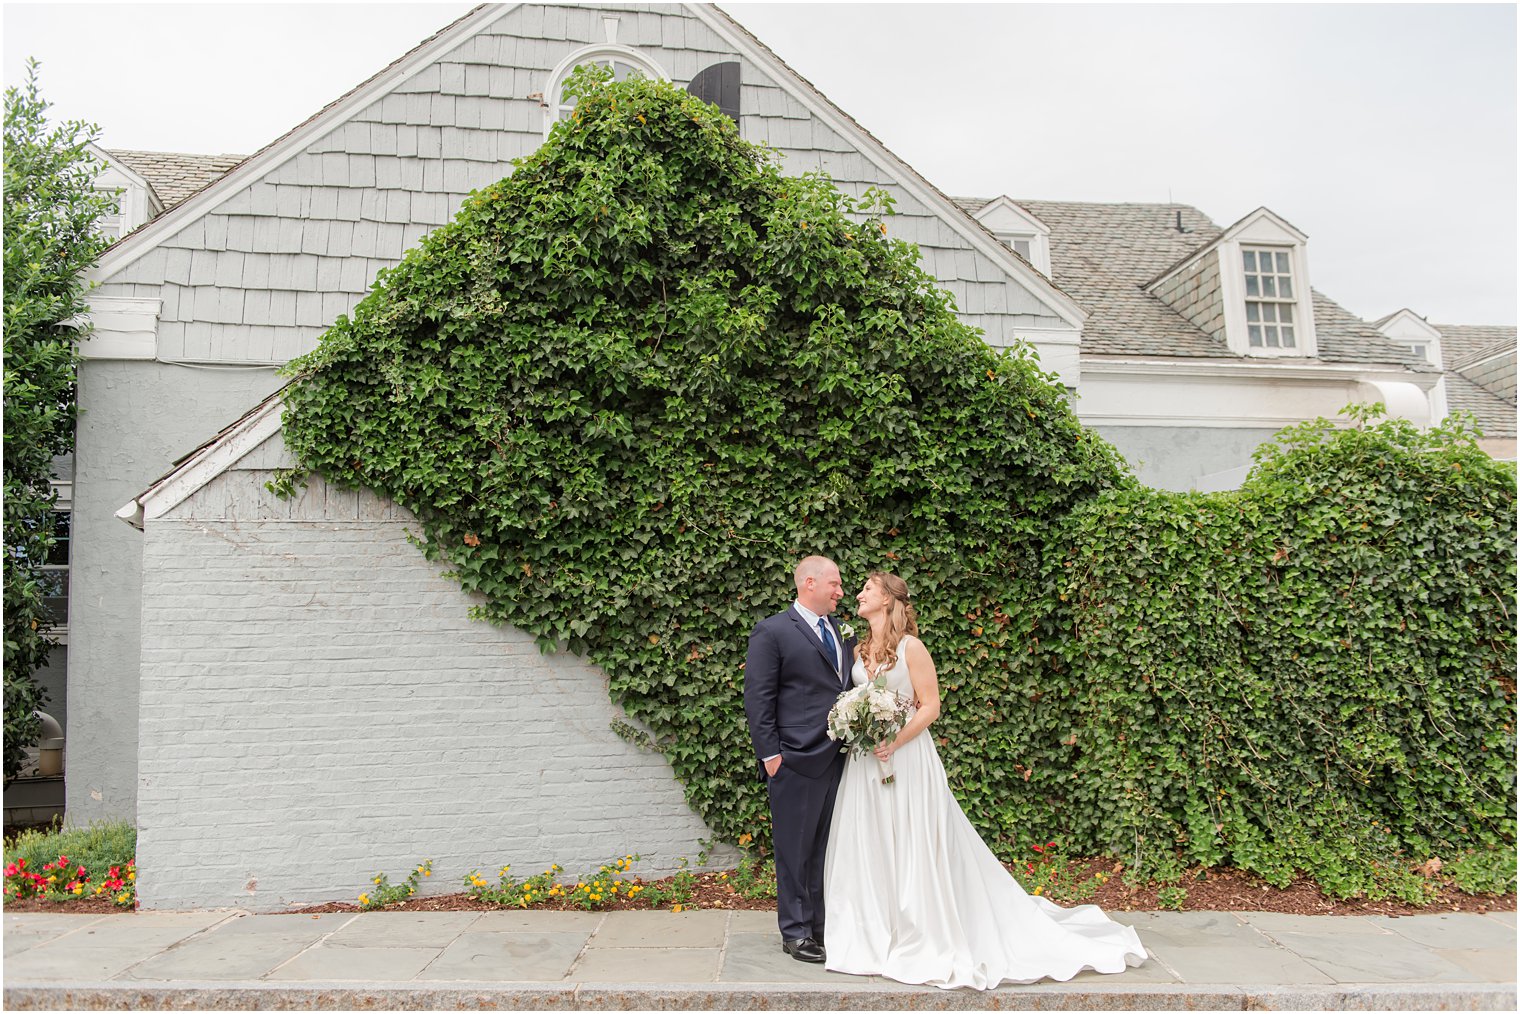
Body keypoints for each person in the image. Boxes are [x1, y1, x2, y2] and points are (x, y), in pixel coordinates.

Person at [822, 571, 1148, 989]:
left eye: (868, 588)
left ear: (887, 600)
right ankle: (871, 934)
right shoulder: (858, 649)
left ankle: (920, 931)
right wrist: (859, 727)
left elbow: (930, 706)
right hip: (866, 763)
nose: (859, 594)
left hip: (906, 759)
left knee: (913, 841)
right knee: (870, 842)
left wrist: (895, 741)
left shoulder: (911, 648)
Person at [744, 555, 856, 963]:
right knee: (794, 849)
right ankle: (795, 932)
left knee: (825, 848)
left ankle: (821, 927)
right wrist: (772, 756)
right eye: (836, 584)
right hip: (793, 760)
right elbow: (758, 698)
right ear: (810, 583)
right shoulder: (772, 631)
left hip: (838, 758)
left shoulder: (842, 633)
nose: (841, 593)